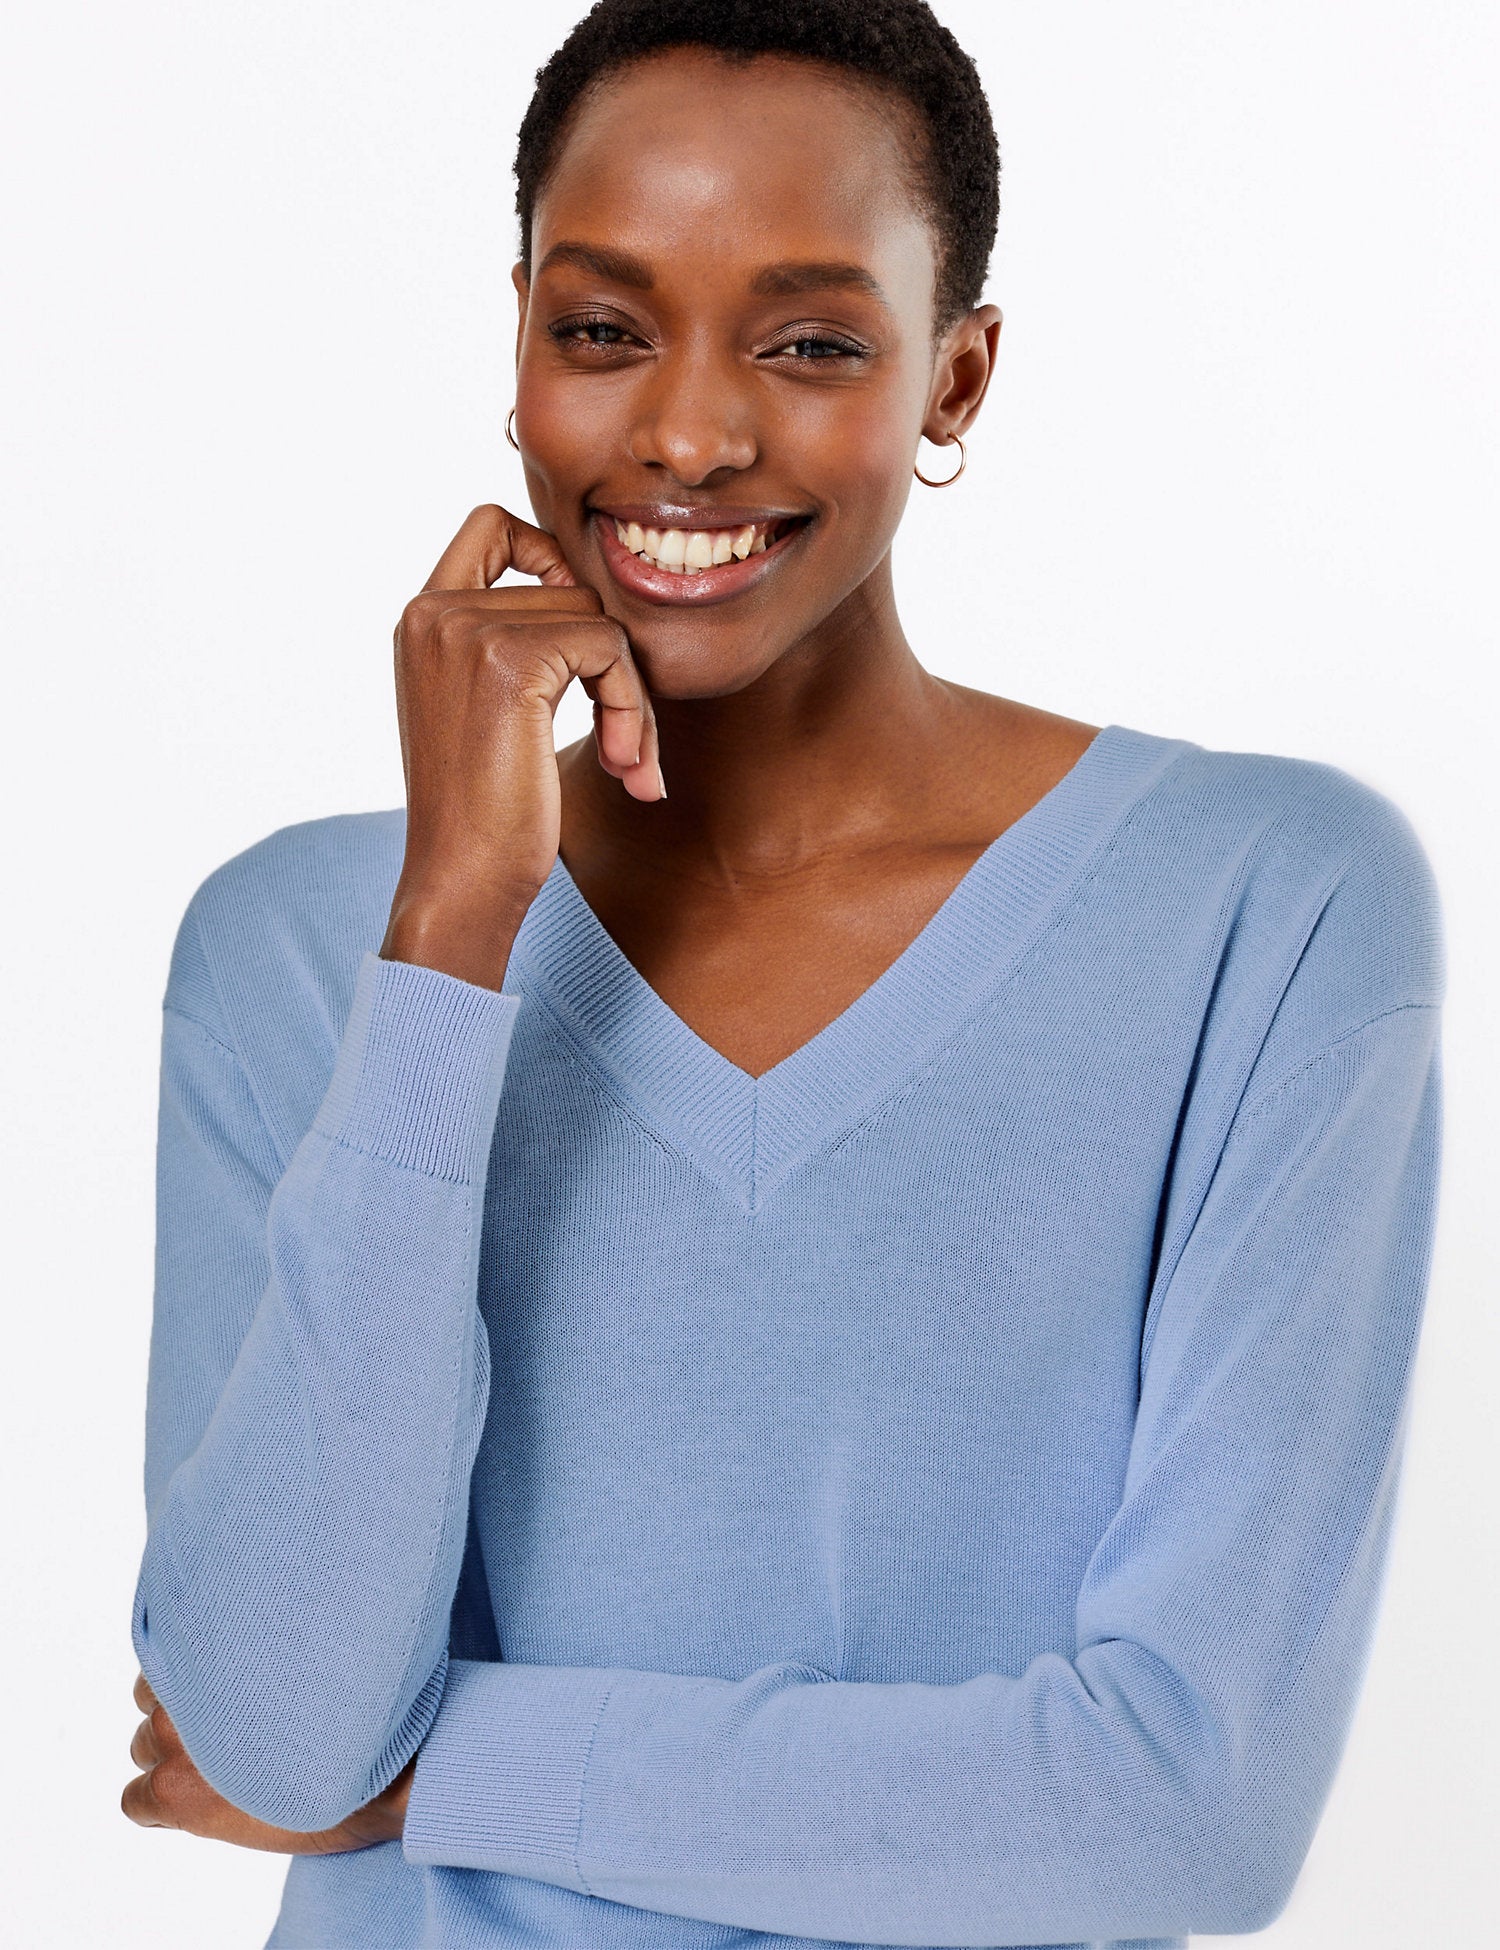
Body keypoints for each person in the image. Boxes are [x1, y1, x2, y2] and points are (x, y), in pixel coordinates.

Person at [120, 3, 1446, 1947]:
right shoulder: (303, 947)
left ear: (955, 374)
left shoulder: (1268, 909)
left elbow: (1189, 1806)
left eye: (811, 342)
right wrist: (452, 938)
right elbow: (275, 1727)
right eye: (602, 329)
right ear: (519, 347)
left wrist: (447, 1774)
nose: (688, 433)